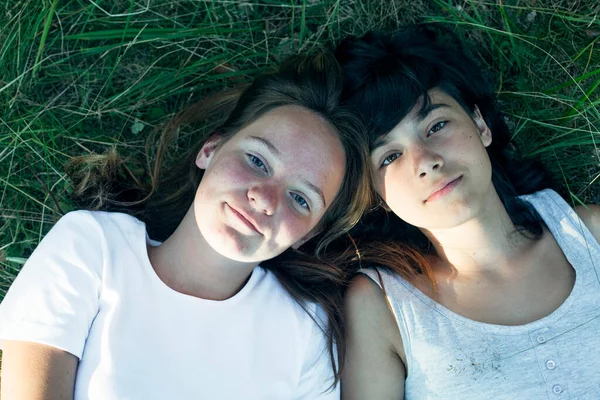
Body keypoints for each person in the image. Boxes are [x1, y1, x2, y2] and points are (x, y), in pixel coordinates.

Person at [0, 53, 372, 400]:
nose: (265, 198)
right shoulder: (93, 247)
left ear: (308, 234)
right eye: (257, 160)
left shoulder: (305, 333)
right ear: (210, 150)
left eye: (300, 198)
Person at [335, 25, 600, 399]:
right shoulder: (382, 307)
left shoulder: (591, 236)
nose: (425, 161)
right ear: (374, 195)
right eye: (390, 157)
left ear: (480, 124)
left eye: (436, 125)